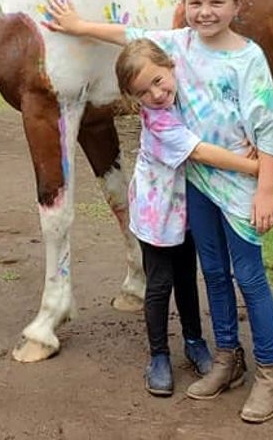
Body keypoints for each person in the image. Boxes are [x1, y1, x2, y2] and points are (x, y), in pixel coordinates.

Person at [44, 0, 273, 423]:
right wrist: (77, 24)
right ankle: (226, 360)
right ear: (184, 5)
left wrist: (266, 188)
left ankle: (270, 375)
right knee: (213, 275)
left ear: (237, 1)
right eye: (195, 2)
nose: (205, 11)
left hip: (240, 188)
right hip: (198, 186)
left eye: (217, 1)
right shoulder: (178, 45)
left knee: (250, 279)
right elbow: (129, 36)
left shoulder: (249, 59)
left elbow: (268, 128)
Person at [110, 38, 262, 397]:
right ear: (134, 99)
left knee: (186, 279)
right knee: (160, 284)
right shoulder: (160, 124)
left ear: (171, 67)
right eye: (144, 92)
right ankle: (159, 354)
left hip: (185, 212)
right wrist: (251, 165)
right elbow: (201, 151)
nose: (157, 94)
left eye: (159, 81)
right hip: (157, 215)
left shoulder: (185, 95)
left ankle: (195, 341)